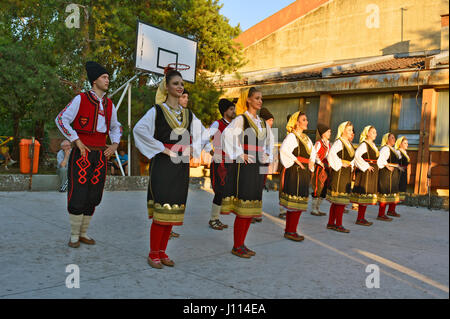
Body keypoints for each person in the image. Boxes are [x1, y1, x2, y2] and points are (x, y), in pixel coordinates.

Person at [133, 68, 210, 269]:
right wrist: (163, 150)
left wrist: (193, 149)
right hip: (164, 165)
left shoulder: (188, 114)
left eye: (182, 84)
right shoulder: (156, 111)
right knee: (162, 210)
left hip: (181, 166)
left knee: (173, 210)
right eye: (175, 83)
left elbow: (203, 133)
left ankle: (163, 251)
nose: (180, 87)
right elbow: (139, 131)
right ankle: (153, 253)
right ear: (166, 87)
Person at [55, 61, 122, 248]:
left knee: (94, 195)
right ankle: (74, 235)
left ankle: (84, 233)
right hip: (82, 154)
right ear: (95, 81)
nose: (108, 80)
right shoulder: (81, 99)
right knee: (78, 192)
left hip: (100, 155)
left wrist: (115, 144)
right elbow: (61, 119)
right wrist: (76, 140)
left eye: (108, 77)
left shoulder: (109, 104)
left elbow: (117, 126)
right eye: (104, 77)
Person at [222, 87, 272, 258]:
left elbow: (268, 143)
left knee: (251, 207)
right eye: (257, 98)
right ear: (248, 100)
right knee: (244, 205)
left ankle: (242, 243)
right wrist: (238, 153)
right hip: (246, 165)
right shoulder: (241, 120)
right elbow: (227, 136)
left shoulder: (262, 123)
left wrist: (267, 155)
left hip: (258, 164)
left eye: (261, 98)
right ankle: (237, 245)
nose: (260, 101)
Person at [279, 111, 313, 241]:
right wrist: (296, 160)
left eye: (306, 119)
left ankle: (292, 230)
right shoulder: (292, 137)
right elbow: (284, 150)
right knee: (294, 202)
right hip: (295, 171)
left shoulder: (306, 138)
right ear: (296, 122)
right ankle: (290, 230)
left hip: (304, 171)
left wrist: (311, 162)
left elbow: (312, 153)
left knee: (300, 202)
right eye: (304, 120)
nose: (306, 122)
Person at [207, 98, 236, 230]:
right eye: (231, 109)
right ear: (225, 111)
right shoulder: (217, 124)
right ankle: (213, 219)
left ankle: (216, 218)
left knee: (225, 191)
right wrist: (212, 153)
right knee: (219, 191)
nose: (234, 111)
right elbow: (204, 138)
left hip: (231, 161)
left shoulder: (235, 125)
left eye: (233, 109)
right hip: (219, 163)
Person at [326, 121, 355, 233]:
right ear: (343, 131)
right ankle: (338, 224)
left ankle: (331, 223)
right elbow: (331, 155)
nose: (351, 132)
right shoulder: (339, 142)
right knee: (339, 200)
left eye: (351, 130)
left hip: (346, 172)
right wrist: (340, 163)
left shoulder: (348, 143)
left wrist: (350, 165)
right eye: (349, 130)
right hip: (339, 173)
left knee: (338, 201)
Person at [350, 125, 379, 226]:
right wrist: (367, 166)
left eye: (375, 132)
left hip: (371, 172)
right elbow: (357, 156)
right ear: (367, 133)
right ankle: (359, 218)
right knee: (363, 194)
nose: (375, 134)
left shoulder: (373, 145)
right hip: (365, 172)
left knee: (366, 196)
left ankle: (362, 217)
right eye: (373, 132)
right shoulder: (364, 145)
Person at [252, 107, 274, 223]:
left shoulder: (269, 132)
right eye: (270, 121)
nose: (271, 123)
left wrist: (269, 158)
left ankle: (257, 211)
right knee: (254, 186)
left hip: (265, 163)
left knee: (260, 186)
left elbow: (270, 149)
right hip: (258, 162)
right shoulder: (259, 130)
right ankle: (250, 212)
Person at [377, 133, 401, 220]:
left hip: (392, 173)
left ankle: (389, 211)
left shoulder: (392, 149)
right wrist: (387, 165)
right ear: (387, 140)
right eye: (392, 138)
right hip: (386, 173)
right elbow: (380, 159)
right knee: (385, 192)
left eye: (394, 138)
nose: (394, 139)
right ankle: (381, 214)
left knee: (391, 192)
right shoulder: (385, 148)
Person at [308, 124, 331, 216]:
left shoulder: (328, 144)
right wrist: (319, 162)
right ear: (323, 133)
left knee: (324, 188)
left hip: (326, 168)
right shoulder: (318, 143)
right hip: (319, 168)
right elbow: (313, 154)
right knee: (318, 187)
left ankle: (318, 208)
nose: (330, 133)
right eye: (328, 131)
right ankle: (314, 209)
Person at [278, 114, 292, 220]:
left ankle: (289, 208)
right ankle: (282, 210)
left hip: (294, 167)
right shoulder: (288, 137)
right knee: (283, 187)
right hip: (286, 165)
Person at [396, 136, 410, 203]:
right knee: (398, 188)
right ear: (400, 144)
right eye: (405, 143)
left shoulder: (405, 152)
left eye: (407, 143)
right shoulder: (398, 152)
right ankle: (391, 209)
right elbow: (395, 161)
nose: (407, 145)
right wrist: (398, 167)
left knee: (402, 188)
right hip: (399, 173)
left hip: (404, 172)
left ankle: (393, 209)